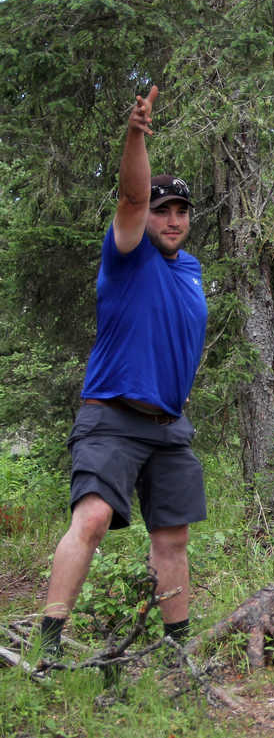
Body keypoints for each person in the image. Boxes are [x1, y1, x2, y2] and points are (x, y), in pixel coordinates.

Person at [39, 85, 208, 659]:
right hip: (112, 413)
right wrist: (136, 135)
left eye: (181, 210)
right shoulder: (127, 252)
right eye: (165, 209)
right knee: (91, 518)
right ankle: (50, 647)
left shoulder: (190, 270)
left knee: (173, 538)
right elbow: (132, 199)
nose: (173, 218)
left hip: (169, 426)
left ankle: (175, 653)